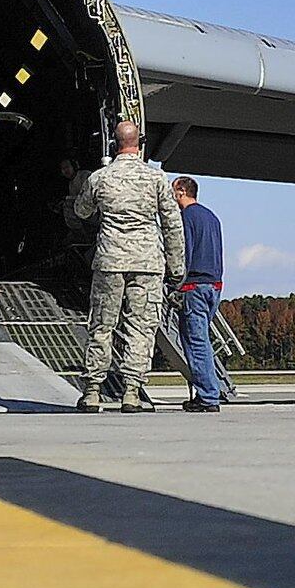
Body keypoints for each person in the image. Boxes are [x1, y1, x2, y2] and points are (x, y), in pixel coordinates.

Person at [72, 121, 184, 413]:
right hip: (147, 262)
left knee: (102, 325)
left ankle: (93, 390)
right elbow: (173, 225)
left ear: (115, 143)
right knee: (140, 326)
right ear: (139, 142)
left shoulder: (101, 177)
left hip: (110, 260)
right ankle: (131, 391)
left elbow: (81, 211)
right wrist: (176, 268)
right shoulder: (156, 179)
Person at [171, 175, 224, 413]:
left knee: (195, 343)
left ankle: (208, 395)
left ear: (182, 191)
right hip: (214, 284)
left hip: (194, 286)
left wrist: (175, 283)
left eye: (173, 191)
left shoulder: (186, 217)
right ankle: (208, 391)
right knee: (202, 341)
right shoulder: (211, 217)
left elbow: (185, 252)